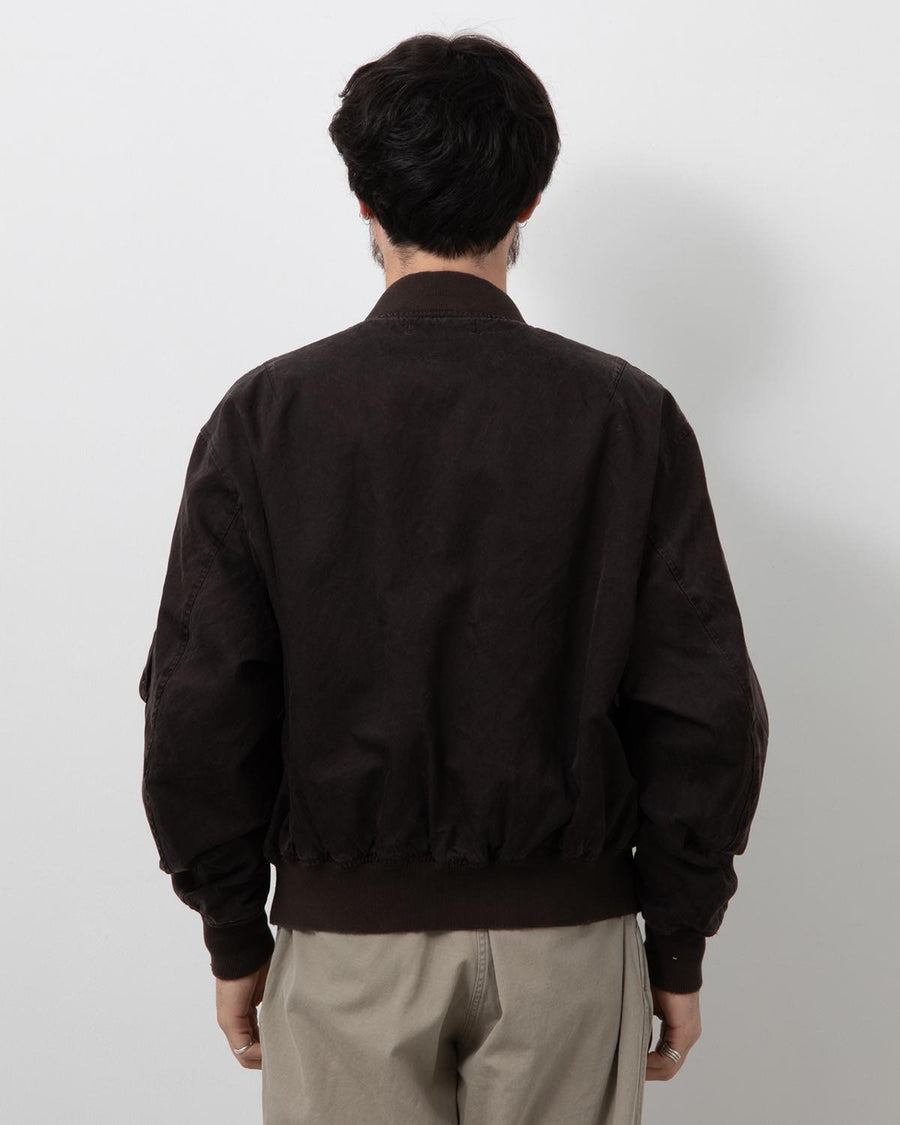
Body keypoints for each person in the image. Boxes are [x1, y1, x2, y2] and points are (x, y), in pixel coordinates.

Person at [138, 30, 769, 1125]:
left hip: (346, 952)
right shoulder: (628, 418)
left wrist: (234, 932)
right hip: (567, 949)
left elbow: (201, 702)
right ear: (529, 201)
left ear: (364, 203)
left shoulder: (268, 417)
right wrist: (678, 940)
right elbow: (703, 707)